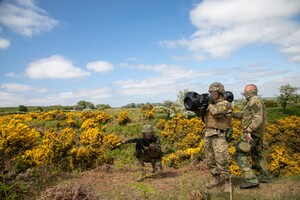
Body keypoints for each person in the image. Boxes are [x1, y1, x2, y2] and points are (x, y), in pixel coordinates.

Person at [194, 82, 232, 192]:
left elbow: (217, 113)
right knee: (210, 159)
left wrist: (209, 104)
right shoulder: (210, 104)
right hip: (208, 134)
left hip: (219, 135)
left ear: (220, 93)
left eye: (213, 92)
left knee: (221, 159)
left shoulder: (225, 103)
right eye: (210, 92)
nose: (211, 94)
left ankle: (227, 182)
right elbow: (199, 115)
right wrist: (198, 106)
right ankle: (216, 178)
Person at [232, 84, 271, 189]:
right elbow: (244, 115)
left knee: (239, 154)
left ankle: (251, 179)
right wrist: (231, 113)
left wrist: (249, 131)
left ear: (252, 91)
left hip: (252, 133)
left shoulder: (254, 101)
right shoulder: (253, 101)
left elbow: (258, 118)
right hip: (258, 133)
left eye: (245, 90)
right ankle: (265, 176)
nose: (244, 92)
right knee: (257, 154)